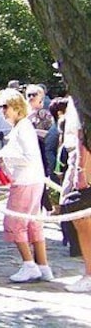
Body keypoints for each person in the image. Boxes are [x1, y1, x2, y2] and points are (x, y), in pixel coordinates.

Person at [0, 88, 53, 283]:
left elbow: (27, 157)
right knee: (33, 223)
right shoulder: (21, 126)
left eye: (5, 107)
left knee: (15, 222)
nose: (3, 112)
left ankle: (29, 264)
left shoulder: (23, 127)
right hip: (32, 179)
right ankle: (43, 266)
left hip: (25, 181)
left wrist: (3, 155)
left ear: (16, 106)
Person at [59, 97, 91, 292]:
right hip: (78, 157)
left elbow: (82, 135)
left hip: (84, 162)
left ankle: (89, 273)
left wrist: (80, 170)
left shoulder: (82, 94)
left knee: (81, 215)